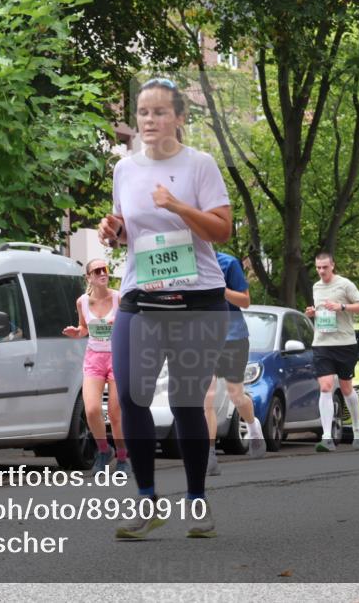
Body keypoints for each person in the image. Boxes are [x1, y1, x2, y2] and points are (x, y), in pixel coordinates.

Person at [99, 77, 232, 540]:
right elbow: (129, 233)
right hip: (141, 296)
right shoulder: (125, 169)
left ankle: (196, 500)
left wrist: (176, 205)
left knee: (185, 402)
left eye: (159, 112)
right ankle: (147, 500)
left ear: (179, 117)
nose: (149, 120)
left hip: (198, 300)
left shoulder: (199, 165)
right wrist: (114, 231)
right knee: (130, 396)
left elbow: (221, 231)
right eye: (143, 112)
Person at [62, 258, 129, 475]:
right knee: (91, 409)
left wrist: (119, 325)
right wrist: (77, 332)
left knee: (115, 412)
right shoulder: (82, 301)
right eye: (97, 270)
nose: (102, 273)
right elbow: (84, 327)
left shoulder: (119, 298)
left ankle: (122, 458)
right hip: (94, 358)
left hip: (118, 357)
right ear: (89, 277)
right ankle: (103, 450)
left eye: (105, 269)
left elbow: (132, 325)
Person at [205, 251, 266, 476]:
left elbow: (245, 301)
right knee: (207, 397)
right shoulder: (187, 264)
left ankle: (252, 426)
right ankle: (209, 455)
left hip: (233, 338)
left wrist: (219, 289)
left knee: (236, 395)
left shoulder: (228, 263)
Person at [304, 252, 359, 452]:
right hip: (322, 342)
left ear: (333, 265)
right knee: (325, 386)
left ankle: (357, 426)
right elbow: (321, 311)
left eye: (325, 267)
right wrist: (313, 313)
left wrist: (341, 306)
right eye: (318, 268)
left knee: (346, 387)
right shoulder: (316, 287)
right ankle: (326, 436)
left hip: (345, 343)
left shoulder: (345, 284)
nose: (321, 271)